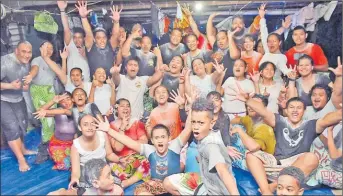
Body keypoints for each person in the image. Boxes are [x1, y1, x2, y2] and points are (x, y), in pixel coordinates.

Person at [235, 88, 342, 194]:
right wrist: (248, 100)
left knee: (312, 157)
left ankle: (274, 186)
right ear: (286, 110)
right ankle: (266, 190)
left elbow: (327, 119)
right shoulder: (279, 120)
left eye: (299, 108)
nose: (295, 110)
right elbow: (262, 111)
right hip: (275, 166)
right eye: (291, 107)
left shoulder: (311, 125)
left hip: (296, 171)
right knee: (251, 155)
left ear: (304, 111)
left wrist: (340, 113)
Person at [93, 112, 193, 195]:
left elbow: (188, 129)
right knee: (140, 193)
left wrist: (192, 106)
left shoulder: (175, 146)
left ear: (169, 138)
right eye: (157, 138)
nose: (160, 140)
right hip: (156, 185)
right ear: (152, 140)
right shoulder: (149, 150)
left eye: (163, 137)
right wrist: (109, 130)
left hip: (173, 185)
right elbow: (128, 141)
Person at [165, 98, 239, 195]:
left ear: (211, 123)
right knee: (168, 182)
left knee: (167, 182)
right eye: (193, 122)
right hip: (206, 183)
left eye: (200, 123)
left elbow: (223, 171)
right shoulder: (206, 135)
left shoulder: (211, 146)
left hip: (215, 192)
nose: (196, 126)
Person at [47, 114, 120, 195]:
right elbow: (75, 171)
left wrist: (120, 159)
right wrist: (74, 179)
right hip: (85, 174)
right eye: (85, 124)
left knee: (117, 190)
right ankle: (64, 192)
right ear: (79, 127)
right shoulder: (76, 145)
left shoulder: (102, 135)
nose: (90, 127)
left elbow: (109, 154)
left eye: (92, 124)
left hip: (102, 172)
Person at [0, 41, 36, 172]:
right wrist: (9, 86)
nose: (27, 55)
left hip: (18, 98)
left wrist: (25, 86)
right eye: (24, 52)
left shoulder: (25, 63)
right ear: (16, 51)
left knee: (22, 125)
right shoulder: (5, 62)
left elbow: (21, 82)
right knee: (12, 128)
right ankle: (21, 160)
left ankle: (23, 149)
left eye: (29, 52)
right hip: (3, 100)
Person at [28, 41, 67, 143]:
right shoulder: (37, 60)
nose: (49, 50)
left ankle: (53, 141)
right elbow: (34, 69)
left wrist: (63, 59)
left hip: (50, 90)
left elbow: (62, 75)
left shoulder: (53, 62)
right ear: (41, 48)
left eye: (51, 48)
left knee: (52, 117)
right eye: (47, 47)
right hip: (38, 90)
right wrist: (30, 76)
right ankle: (46, 143)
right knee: (45, 118)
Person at [109, 98, 151, 189]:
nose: (125, 108)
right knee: (111, 165)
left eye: (128, 106)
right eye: (122, 106)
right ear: (116, 109)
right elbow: (118, 148)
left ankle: (127, 182)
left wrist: (131, 152)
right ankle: (134, 177)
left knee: (147, 163)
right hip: (122, 161)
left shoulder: (136, 123)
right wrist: (123, 127)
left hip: (137, 158)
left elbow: (144, 141)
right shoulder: (110, 126)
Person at [229, 94, 276, 170]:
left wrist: (239, 131)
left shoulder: (264, 128)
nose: (250, 107)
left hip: (264, 166)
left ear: (263, 109)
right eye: (249, 104)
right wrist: (229, 126)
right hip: (252, 156)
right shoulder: (250, 119)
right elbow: (238, 119)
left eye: (255, 105)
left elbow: (254, 147)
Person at [76, 1, 121, 77]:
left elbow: (115, 35)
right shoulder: (91, 46)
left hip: (110, 83)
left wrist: (116, 22)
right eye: (98, 38)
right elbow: (88, 33)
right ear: (94, 39)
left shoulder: (110, 46)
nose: (102, 40)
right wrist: (83, 18)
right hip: (94, 84)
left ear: (107, 38)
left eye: (104, 37)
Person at [33, 92, 76, 170]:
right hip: (58, 143)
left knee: (76, 163)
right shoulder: (57, 111)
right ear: (59, 103)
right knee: (64, 165)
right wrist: (52, 101)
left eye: (68, 99)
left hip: (73, 144)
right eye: (62, 101)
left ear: (73, 100)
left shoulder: (77, 111)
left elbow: (66, 112)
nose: (66, 102)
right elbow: (38, 111)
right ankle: (47, 149)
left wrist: (46, 111)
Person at [57, 0, 90, 82]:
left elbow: (89, 33)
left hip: (86, 82)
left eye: (80, 37)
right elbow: (66, 29)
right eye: (75, 37)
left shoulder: (88, 47)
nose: (77, 39)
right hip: (71, 82)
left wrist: (86, 55)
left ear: (84, 38)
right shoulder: (70, 45)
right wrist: (62, 10)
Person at [258, 5, 292, 83]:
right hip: (262, 84)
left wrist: (289, 72)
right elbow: (263, 33)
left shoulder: (282, 57)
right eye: (269, 41)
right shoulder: (267, 51)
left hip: (276, 86)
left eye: (274, 41)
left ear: (279, 43)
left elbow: (284, 69)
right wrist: (262, 17)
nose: (271, 43)